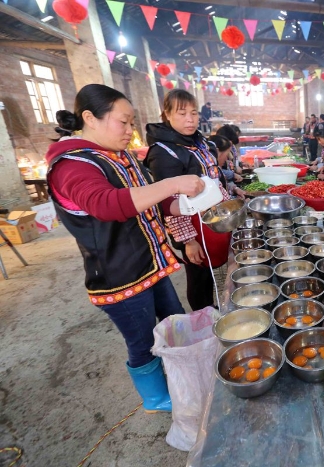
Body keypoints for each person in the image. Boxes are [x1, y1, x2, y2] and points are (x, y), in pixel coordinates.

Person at [45, 84, 206, 413]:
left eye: (132, 122)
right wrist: (172, 184)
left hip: (151, 265)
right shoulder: (71, 166)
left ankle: (181, 375)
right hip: (120, 278)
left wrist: (179, 207)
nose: (131, 131)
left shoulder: (117, 158)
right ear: (90, 118)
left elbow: (147, 203)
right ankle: (157, 398)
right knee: (143, 342)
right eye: (124, 122)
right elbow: (107, 206)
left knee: (175, 323)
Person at [145, 90, 238, 311]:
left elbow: (213, 178)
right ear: (167, 114)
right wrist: (188, 240)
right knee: (199, 275)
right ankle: (203, 318)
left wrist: (230, 198)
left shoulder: (200, 143)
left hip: (212, 218)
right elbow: (168, 202)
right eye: (182, 113)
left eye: (194, 113)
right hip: (193, 227)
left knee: (214, 271)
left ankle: (215, 309)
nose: (190, 119)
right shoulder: (164, 152)